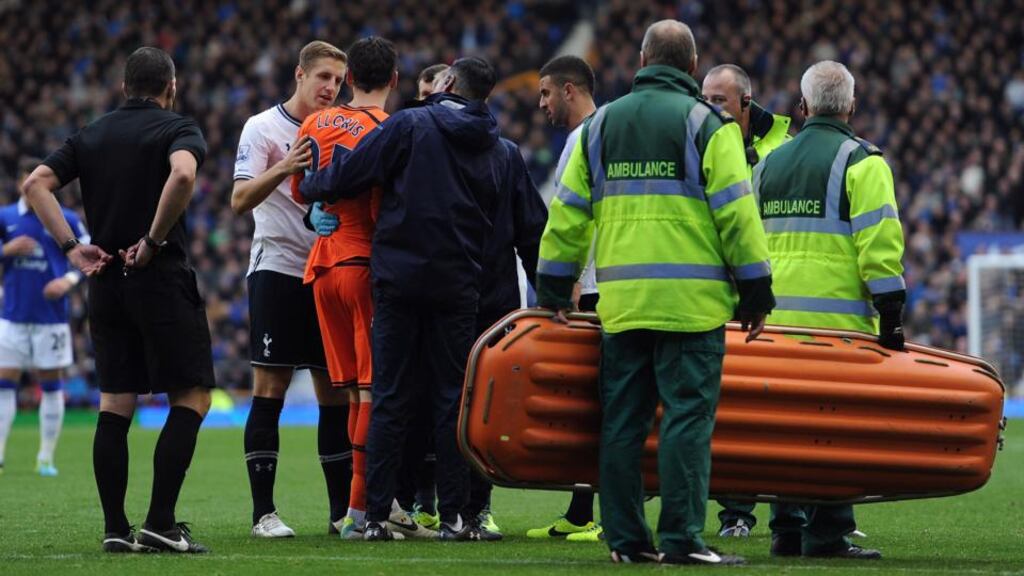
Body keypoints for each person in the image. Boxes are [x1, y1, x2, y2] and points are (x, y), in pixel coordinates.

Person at [536, 20, 774, 565]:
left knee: (622, 424)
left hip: (622, 304)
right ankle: (682, 540)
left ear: (642, 60)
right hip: (692, 307)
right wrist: (756, 292)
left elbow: (567, 213)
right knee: (687, 421)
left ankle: (625, 541)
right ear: (692, 66)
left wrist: (552, 287)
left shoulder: (600, 125)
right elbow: (738, 216)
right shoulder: (709, 125)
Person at [300, 57, 524, 542]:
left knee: (389, 394)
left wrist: (311, 187)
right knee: (452, 399)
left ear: (448, 83)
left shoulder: (410, 124)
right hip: (459, 281)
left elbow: (349, 174)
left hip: (399, 276)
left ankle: (375, 516)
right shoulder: (496, 145)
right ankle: (455, 517)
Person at [23, 46, 213, 553]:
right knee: (193, 396)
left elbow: (36, 184)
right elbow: (183, 174)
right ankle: (160, 523)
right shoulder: (178, 128)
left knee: (115, 403)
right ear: (171, 86)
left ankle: (114, 529)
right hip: (160, 277)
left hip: (105, 280)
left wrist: (71, 247)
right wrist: (152, 240)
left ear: (124, 87)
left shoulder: (92, 133)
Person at [756, 60, 902, 561]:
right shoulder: (864, 162)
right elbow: (879, 245)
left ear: (803, 106)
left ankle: (785, 530)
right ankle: (828, 534)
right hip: (839, 329)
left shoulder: (769, 163)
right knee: (833, 432)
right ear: (852, 106)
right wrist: (891, 313)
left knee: (785, 429)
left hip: (776, 326)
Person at [289, 36, 434, 541]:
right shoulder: (389, 129)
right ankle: (359, 511)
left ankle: (379, 502)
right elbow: (387, 206)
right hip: (364, 265)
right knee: (374, 392)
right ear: (394, 79)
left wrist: (317, 211)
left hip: (321, 268)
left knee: (353, 392)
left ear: (349, 78)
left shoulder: (314, 122)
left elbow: (300, 189)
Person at [230, 40, 351, 538]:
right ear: (299, 74)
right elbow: (239, 199)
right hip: (277, 269)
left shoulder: (342, 128)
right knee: (270, 389)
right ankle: (264, 514)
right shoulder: (262, 128)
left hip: (327, 271)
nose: (330, 87)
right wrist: (284, 166)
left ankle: (341, 514)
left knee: (334, 394)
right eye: (323, 76)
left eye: (338, 81)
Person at [701, 62, 791, 539]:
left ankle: (794, 515)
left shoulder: (783, 148)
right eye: (705, 99)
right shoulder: (701, 139)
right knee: (731, 411)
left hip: (768, 297)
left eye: (719, 100)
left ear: (745, 104)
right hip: (721, 295)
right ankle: (735, 513)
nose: (710, 107)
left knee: (777, 412)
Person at [527, 54, 605, 543]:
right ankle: (582, 512)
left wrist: (571, 281)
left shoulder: (583, 139)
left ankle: (593, 514)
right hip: (601, 285)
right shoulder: (600, 132)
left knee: (591, 406)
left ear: (569, 90)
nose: (542, 104)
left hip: (591, 290)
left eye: (546, 93)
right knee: (595, 405)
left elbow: (580, 218)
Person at [0, 156, 89, 477]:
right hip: (12, 315)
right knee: (4, 383)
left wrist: (68, 280)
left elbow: (91, 253)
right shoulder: (6, 217)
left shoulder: (65, 219)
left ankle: (46, 457)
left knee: (51, 385)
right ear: (20, 183)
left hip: (50, 319)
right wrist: (5, 251)